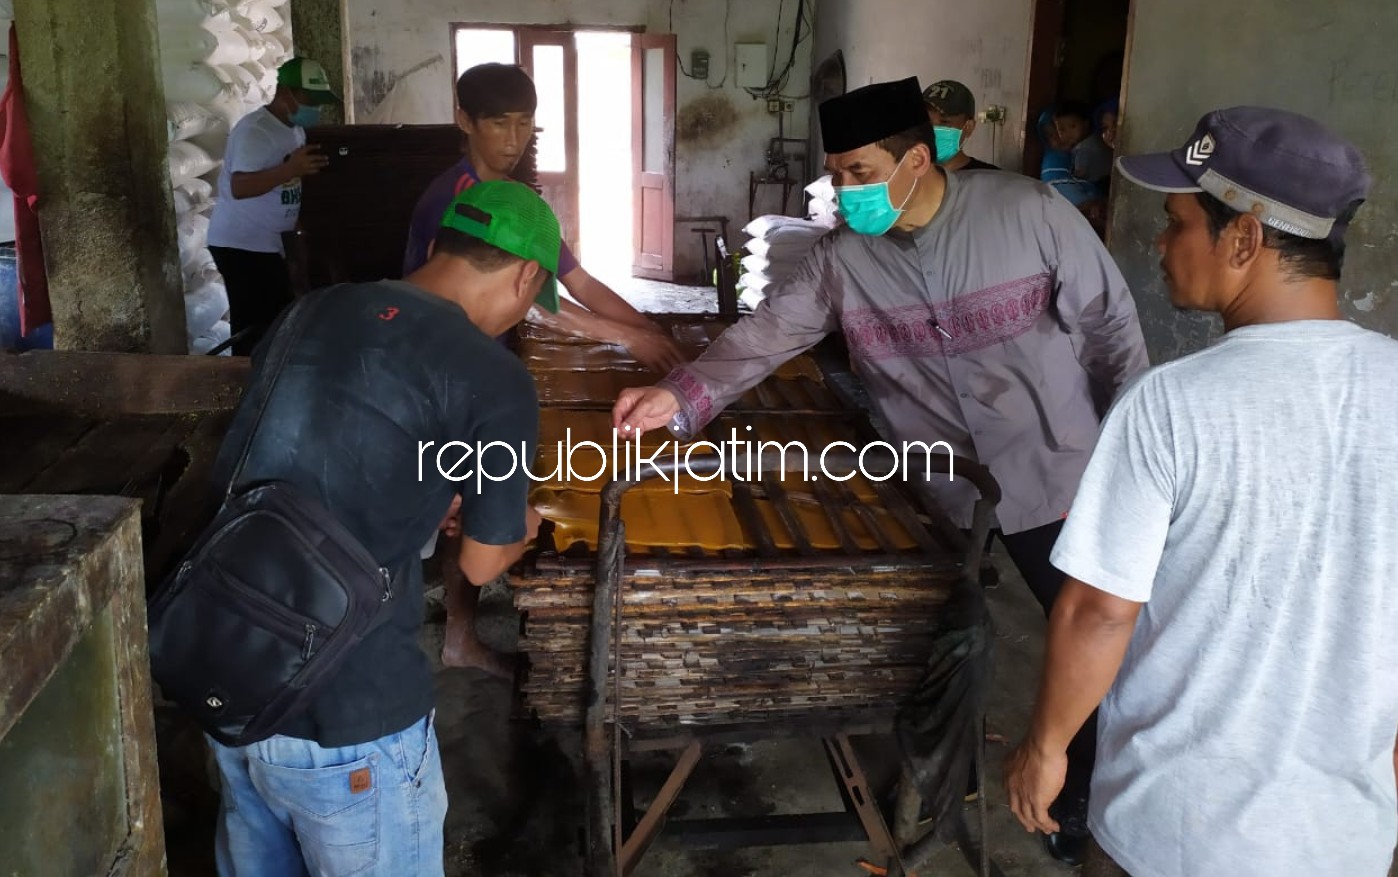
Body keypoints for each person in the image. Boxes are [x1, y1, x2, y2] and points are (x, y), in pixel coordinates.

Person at [611, 76, 1150, 865]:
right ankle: (946, 770)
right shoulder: (843, 260)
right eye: (839, 175)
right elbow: (766, 336)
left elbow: (1111, 329)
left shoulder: (1028, 214)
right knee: (939, 630)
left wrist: (1130, 456)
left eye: (861, 173)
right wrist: (677, 393)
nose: (846, 191)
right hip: (935, 482)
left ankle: (1084, 796)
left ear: (917, 158)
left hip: (1054, 470)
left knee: (1092, 642)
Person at [1004, 106, 1398, 877]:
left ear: (1243, 238)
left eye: (1176, 222)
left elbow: (1098, 610)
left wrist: (1046, 748)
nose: (1158, 245)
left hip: (1174, 827)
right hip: (1343, 837)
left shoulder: (1171, 402)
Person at [204, 179, 559, 876]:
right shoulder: (492, 374)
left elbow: (317, 459)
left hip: (231, 680)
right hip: (348, 715)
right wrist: (527, 521)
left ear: (437, 247)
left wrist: (429, 499)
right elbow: (485, 563)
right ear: (525, 277)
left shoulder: (311, 310)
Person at [405, 62, 685, 677]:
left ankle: (471, 619)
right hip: (448, 374)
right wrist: (617, 335)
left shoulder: (518, 203)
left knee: (481, 495)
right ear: (464, 121)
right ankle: (455, 631)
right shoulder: (455, 201)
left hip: (490, 364)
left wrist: (648, 330)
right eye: (498, 124)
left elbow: (575, 280)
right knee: (462, 503)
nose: (513, 138)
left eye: (524, 125)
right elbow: (511, 297)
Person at [207, 57, 338, 356]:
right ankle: (241, 388)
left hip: (270, 243)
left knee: (274, 320)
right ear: (285, 92)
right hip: (241, 246)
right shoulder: (255, 131)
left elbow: (287, 185)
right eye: (310, 100)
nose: (316, 108)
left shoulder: (293, 130)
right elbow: (240, 187)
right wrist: (290, 169)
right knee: (253, 328)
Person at [921, 79, 999, 171]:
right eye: (926, 121)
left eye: (944, 122)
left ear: (968, 127)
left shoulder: (990, 178)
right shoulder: (906, 176)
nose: (932, 129)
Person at [1054, 100, 1113, 186]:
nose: (1068, 133)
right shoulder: (1097, 137)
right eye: (1061, 129)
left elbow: (1078, 177)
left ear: (1086, 124)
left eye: (1073, 126)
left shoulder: (1082, 150)